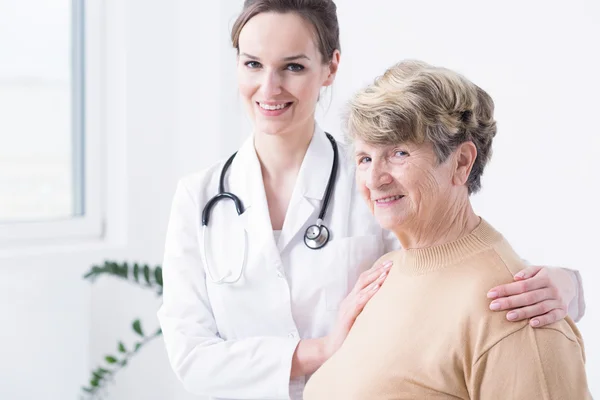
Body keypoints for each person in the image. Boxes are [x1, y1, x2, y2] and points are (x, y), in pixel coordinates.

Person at [157, 1, 586, 399]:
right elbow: (190, 354)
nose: (269, 87)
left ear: (330, 68)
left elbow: (458, 268)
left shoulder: (374, 183)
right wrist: (320, 350)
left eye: (293, 66)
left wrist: (568, 284)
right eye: (252, 64)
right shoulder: (200, 197)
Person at [303, 60, 591, 399]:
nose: (374, 179)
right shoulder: (384, 273)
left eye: (399, 153)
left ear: (461, 162)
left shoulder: (516, 311)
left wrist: (572, 283)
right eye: (365, 158)